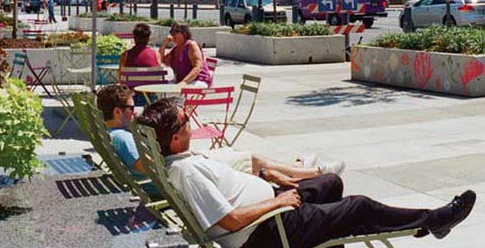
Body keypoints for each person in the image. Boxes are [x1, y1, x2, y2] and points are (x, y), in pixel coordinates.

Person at [137, 97, 477, 248]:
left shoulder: (183, 162)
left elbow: (231, 192)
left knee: (329, 182)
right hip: (265, 236)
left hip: (273, 216)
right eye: (186, 120)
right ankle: (432, 220)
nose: (191, 122)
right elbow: (229, 221)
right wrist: (277, 201)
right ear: (176, 136)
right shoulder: (189, 173)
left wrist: (270, 180)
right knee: (357, 207)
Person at [95, 85, 346, 197]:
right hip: (176, 176)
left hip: (176, 170)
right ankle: (314, 171)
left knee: (239, 154)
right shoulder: (122, 137)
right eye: (130, 107)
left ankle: (301, 167)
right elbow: (146, 167)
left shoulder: (113, 134)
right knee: (250, 158)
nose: (135, 110)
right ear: (117, 112)